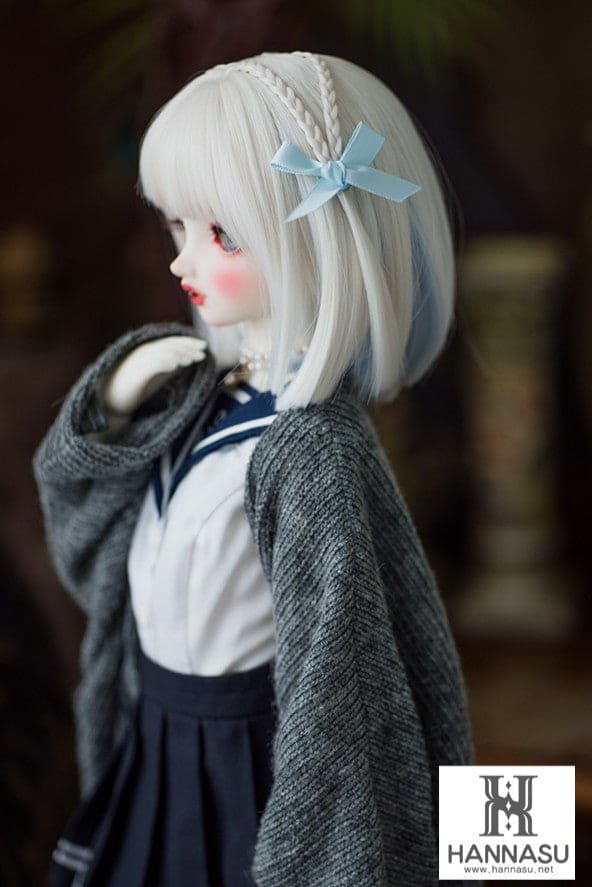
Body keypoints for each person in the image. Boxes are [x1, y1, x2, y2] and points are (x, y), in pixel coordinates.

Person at [34, 51, 476, 886]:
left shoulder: (313, 450)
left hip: (259, 767)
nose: (183, 262)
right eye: (177, 228)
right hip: (157, 738)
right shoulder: (192, 394)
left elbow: (343, 681)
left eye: (222, 234)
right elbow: (88, 553)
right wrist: (111, 413)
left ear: (316, 237)